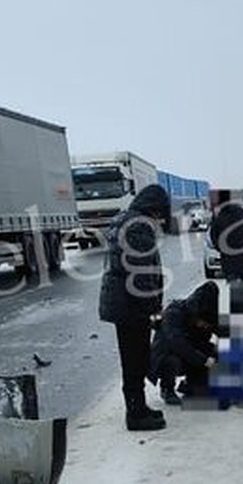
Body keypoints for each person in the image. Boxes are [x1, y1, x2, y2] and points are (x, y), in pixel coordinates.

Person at [98, 183, 171, 431]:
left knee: (133, 358)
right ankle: (136, 414)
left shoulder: (125, 219)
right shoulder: (138, 225)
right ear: (154, 207)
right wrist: (154, 308)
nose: (161, 218)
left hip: (123, 303)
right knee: (135, 359)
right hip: (131, 305)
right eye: (160, 213)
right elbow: (141, 273)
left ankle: (138, 407)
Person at [149, 281, 220, 405]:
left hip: (190, 353)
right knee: (172, 360)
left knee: (214, 352)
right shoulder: (174, 313)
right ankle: (167, 388)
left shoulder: (208, 315)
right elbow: (177, 344)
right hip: (165, 354)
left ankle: (193, 384)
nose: (204, 326)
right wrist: (204, 360)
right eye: (202, 323)